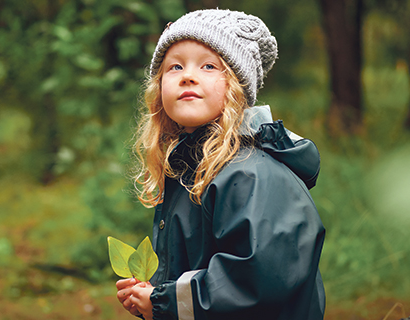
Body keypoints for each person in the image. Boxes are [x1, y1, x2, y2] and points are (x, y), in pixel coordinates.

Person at [116, 8, 326, 320]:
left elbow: (256, 281)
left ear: (237, 90)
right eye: (175, 66)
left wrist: (165, 303)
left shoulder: (250, 173)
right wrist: (151, 295)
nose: (188, 75)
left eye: (209, 66)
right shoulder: (190, 167)